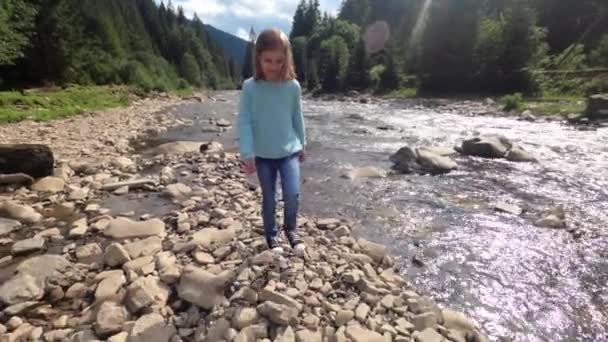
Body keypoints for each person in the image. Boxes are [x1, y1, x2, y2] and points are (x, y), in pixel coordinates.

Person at [237, 28, 307, 255]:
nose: (274, 66)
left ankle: (291, 229)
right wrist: (247, 153)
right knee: (269, 197)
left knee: (292, 193)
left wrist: (303, 144)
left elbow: (297, 116)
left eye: (279, 60)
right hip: (263, 155)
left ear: (286, 59)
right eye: (268, 60)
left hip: (289, 151)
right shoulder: (250, 87)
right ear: (258, 58)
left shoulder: (292, 86)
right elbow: (244, 121)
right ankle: (272, 235)